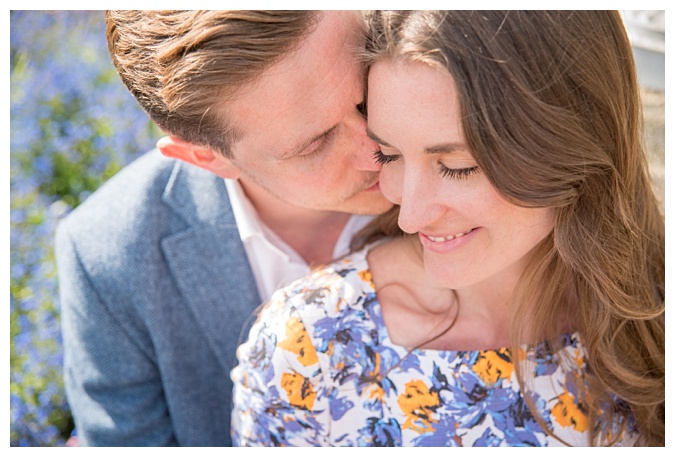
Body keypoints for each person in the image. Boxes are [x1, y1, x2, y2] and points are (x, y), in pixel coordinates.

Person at [231, 10, 665, 447]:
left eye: (459, 166)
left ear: (573, 143)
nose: (410, 216)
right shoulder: (310, 348)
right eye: (389, 155)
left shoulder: (657, 303)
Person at [55, 10, 393, 446]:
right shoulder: (110, 255)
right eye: (315, 143)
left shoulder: (475, 145)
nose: (378, 151)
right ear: (207, 158)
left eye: (367, 95)